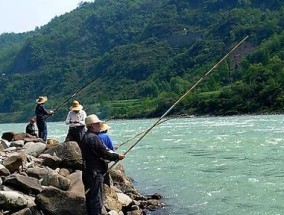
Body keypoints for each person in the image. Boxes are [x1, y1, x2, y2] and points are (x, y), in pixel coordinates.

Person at [79, 114, 125, 215]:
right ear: (92, 126)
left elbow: (99, 151)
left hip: (87, 170)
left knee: (90, 196)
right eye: (97, 124)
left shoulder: (84, 137)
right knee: (96, 199)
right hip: (95, 172)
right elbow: (104, 153)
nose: (100, 125)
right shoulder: (94, 138)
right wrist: (117, 157)